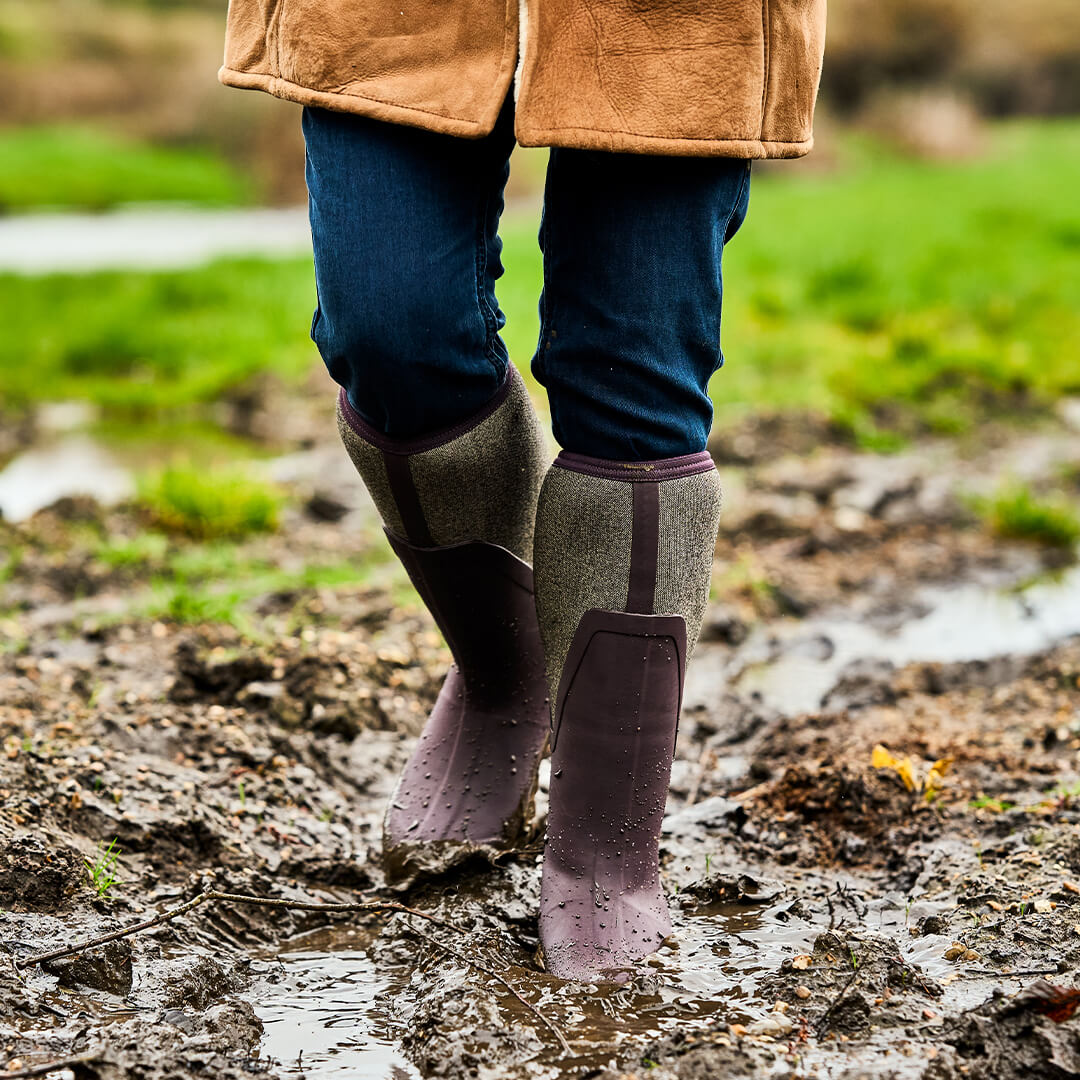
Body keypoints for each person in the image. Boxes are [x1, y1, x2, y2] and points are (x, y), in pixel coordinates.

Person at [220, 0, 826, 981]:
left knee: (634, 373)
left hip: (678, 24)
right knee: (390, 333)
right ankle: (507, 677)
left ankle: (607, 842)